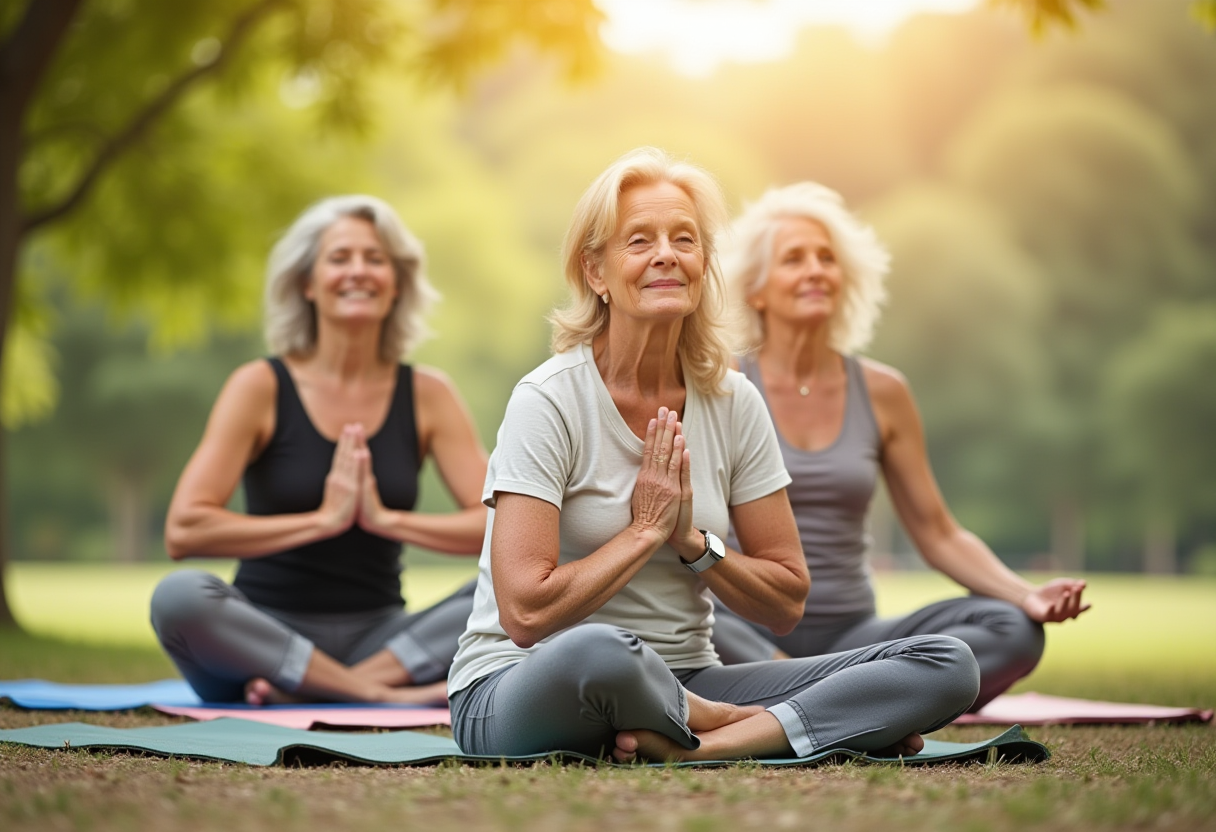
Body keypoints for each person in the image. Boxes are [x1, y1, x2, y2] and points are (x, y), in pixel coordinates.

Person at [446, 148, 979, 763]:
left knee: (945, 663)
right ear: (597, 271)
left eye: (685, 239)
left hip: (691, 675)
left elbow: (785, 600)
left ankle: (702, 746)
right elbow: (524, 614)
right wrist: (644, 533)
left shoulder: (732, 401)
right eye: (639, 240)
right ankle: (787, 726)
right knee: (600, 650)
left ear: (703, 265)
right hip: (525, 682)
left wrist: (692, 543)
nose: (666, 254)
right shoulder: (548, 400)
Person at [709, 182, 1089, 710]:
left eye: (827, 258)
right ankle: (854, 699)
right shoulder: (720, 383)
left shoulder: (884, 392)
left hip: (852, 637)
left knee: (1013, 629)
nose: (816, 269)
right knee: (689, 624)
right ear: (756, 288)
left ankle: (802, 695)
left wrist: (1024, 595)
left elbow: (937, 532)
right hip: (742, 631)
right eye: (794, 259)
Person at [151, 195, 487, 705]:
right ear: (307, 283)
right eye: (339, 258)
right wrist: (322, 520)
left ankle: (321, 690)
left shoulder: (428, 395)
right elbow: (184, 529)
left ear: (396, 284)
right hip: (262, 641)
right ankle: (380, 697)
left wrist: (385, 519)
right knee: (178, 597)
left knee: (512, 588)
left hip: (385, 640)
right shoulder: (259, 386)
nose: (359, 271)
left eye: (375, 259)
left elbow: (500, 526)